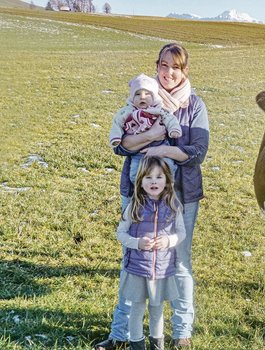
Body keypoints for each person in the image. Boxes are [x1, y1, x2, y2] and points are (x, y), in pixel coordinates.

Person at [95, 42, 209, 350]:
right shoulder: (140, 98)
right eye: (163, 65)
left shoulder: (195, 105)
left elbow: (197, 152)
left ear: (184, 71)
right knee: (131, 260)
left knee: (179, 261)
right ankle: (120, 334)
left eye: (176, 67)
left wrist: (161, 149)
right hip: (136, 194)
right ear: (156, 66)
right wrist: (151, 135)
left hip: (181, 195)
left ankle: (181, 332)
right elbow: (120, 145)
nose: (168, 72)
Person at [116, 156, 185, 350]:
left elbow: (181, 233)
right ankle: (137, 345)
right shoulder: (134, 206)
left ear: (167, 180)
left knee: (157, 310)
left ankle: (157, 345)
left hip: (162, 269)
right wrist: (137, 243)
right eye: (148, 177)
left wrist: (168, 241)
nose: (153, 181)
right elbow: (120, 233)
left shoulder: (173, 206)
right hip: (138, 268)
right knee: (137, 309)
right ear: (140, 181)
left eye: (158, 177)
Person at [108, 73, 182, 183]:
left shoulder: (159, 110)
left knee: (168, 167)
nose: (142, 97)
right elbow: (117, 123)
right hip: (139, 151)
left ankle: (166, 186)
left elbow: (170, 119)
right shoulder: (127, 112)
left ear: (154, 97)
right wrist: (115, 137)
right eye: (138, 94)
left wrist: (174, 129)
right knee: (135, 173)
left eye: (147, 94)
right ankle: (141, 188)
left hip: (161, 147)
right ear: (132, 97)